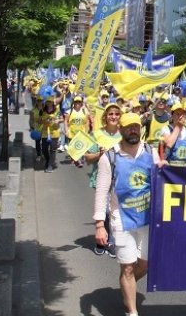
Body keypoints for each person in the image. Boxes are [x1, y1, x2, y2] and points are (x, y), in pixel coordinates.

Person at [93, 112, 163, 316]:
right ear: (121, 130)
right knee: (128, 268)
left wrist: (165, 169)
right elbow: (101, 191)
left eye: (136, 126)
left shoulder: (151, 151)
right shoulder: (109, 158)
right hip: (121, 220)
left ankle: (127, 284)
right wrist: (99, 225)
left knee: (145, 264)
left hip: (147, 219)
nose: (133, 130)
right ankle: (131, 310)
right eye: (128, 127)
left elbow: (162, 178)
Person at [84, 103, 122, 257]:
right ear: (105, 117)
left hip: (120, 179)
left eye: (116, 114)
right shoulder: (96, 135)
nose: (113, 117)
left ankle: (112, 241)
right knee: (104, 210)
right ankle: (101, 241)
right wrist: (99, 155)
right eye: (110, 114)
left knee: (114, 211)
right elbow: (87, 158)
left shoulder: (124, 135)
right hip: (101, 178)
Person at [161, 103, 186, 167]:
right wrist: (178, 127)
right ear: (172, 115)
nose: (180, 116)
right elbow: (168, 144)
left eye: (183, 114)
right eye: (177, 114)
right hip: (171, 169)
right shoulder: (166, 129)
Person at [65, 96, 91, 167]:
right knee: (72, 147)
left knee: (79, 146)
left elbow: (87, 122)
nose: (77, 103)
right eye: (76, 102)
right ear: (74, 103)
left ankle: (79, 161)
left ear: (81, 103)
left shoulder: (84, 112)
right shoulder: (69, 111)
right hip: (72, 132)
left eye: (79, 102)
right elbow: (66, 121)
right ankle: (73, 159)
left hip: (81, 133)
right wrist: (66, 130)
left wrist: (86, 131)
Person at [39, 97, 62, 173]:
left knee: (52, 150)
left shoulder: (57, 110)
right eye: (48, 102)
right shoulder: (42, 111)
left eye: (50, 102)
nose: (49, 103)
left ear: (53, 103)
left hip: (54, 133)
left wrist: (58, 120)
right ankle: (48, 160)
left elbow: (62, 118)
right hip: (45, 133)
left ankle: (50, 165)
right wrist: (42, 121)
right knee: (44, 149)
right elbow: (39, 120)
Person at [29, 96, 44, 162]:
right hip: (36, 128)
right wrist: (31, 127)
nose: (39, 102)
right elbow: (31, 120)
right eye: (38, 101)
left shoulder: (45, 110)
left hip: (44, 128)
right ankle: (38, 155)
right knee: (37, 142)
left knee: (44, 143)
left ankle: (44, 153)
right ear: (36, 102)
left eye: (40, 101)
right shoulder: (33, 110)